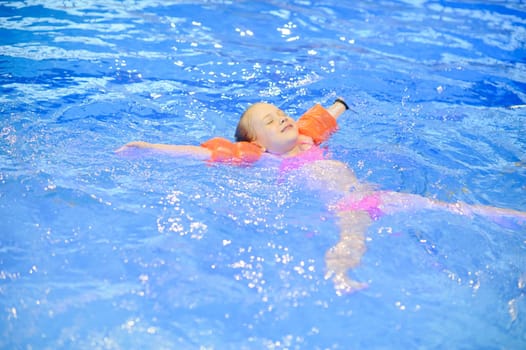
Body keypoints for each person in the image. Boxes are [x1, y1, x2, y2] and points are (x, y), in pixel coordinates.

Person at [117, 98, 526, 295]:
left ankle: (514, 217)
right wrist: (148, 149)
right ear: (258, 143)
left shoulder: (307, 138)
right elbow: (206, 154)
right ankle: (340, 275)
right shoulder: (262, 161)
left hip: (375, 195)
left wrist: (342, 103)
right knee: (352, 240)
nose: (281, 118)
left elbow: (325, 115)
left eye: (280, 113)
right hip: (347, 206)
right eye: (270, 122)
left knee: (448, 207)